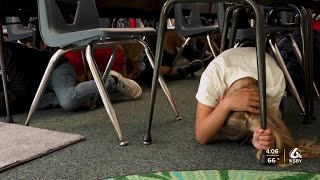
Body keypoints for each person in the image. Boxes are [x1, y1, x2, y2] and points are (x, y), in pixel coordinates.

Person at [195, 47, 320, 166]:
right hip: (240, 66)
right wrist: (226, 105)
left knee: (275, 117)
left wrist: (263, 138)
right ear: (221, 99)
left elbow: (273, 119)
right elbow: (201, 136)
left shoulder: (275, 80)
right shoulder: (212, 78)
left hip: (265, 69)